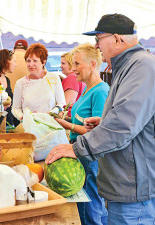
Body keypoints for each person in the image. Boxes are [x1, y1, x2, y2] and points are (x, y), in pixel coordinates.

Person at [45, 14, 155, 224]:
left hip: (134, 190)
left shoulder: (142, 66)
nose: (97, 45)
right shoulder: (131, 66)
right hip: (126, 185)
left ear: (117, 39)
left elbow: (123, 125)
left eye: (99, 39)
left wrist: (76, 148)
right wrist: (104, 121)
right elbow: (133, 119)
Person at [55, 44, 109, 225]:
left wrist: (68, 125)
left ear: (93, 65)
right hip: (81, 152)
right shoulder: (87, 88)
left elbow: (97, 132)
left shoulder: (101, 91)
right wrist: (69, 116)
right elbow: (84, 120)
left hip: (89, 157)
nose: (72, 69)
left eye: (77, 64)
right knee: (93, 204)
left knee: (89, 206)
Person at [12, 43, 65, 121]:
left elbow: (61, 104)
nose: (31, 64)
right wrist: (24, 118)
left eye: (35, 61)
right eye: (28, 61)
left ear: (43, 62)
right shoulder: (20, 83)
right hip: (29, 126)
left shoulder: (53, 78)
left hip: (51, 124)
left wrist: (51, 114)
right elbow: (16, 108)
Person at [0, 49, 17, 126]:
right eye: (14, 61)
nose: (16, 65)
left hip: (8, 123)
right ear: (6, 61)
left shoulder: (7, 80)